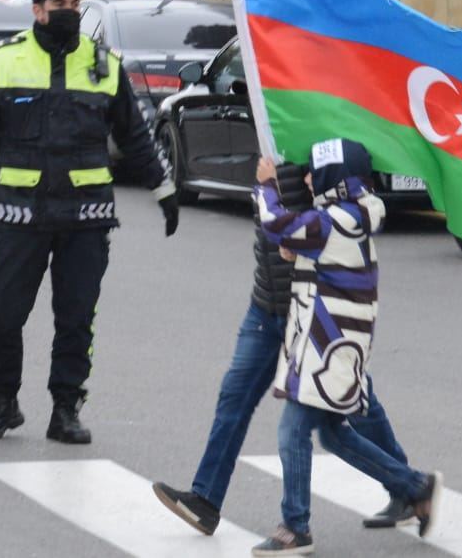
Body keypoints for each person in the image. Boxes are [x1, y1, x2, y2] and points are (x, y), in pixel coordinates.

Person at [0, 0, 179, 445]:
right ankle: (2, 402)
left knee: (76, 318)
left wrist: (162, 189)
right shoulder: (3, 61)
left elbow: (136, 134)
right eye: (58, 2)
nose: (68, 10)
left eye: (74, 2)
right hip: (19, 216)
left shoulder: (105, 65)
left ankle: (66, 408)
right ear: (37, 10)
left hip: (86, 218)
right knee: (1, 313)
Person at [151, 168, 420, 538]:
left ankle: (405, 488)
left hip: (314, 312)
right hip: (268, 305)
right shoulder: (263, 145)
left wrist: (281, 194)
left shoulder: (310, 145)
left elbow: (328, 219)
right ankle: (206, 500)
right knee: (236, 397)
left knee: (354, 409)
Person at [249, 141, 441, 556]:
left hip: (328, 351)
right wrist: (296, 247)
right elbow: (306, 247)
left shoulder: (340, 219)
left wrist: (266, 187)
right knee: (334, 436)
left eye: (314, 173)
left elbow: (279, 225)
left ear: (334, 179)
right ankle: (413, 486)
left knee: (293, 431)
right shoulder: (347, 216)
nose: (306, 179)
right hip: (331, 348)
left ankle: (295, 527)